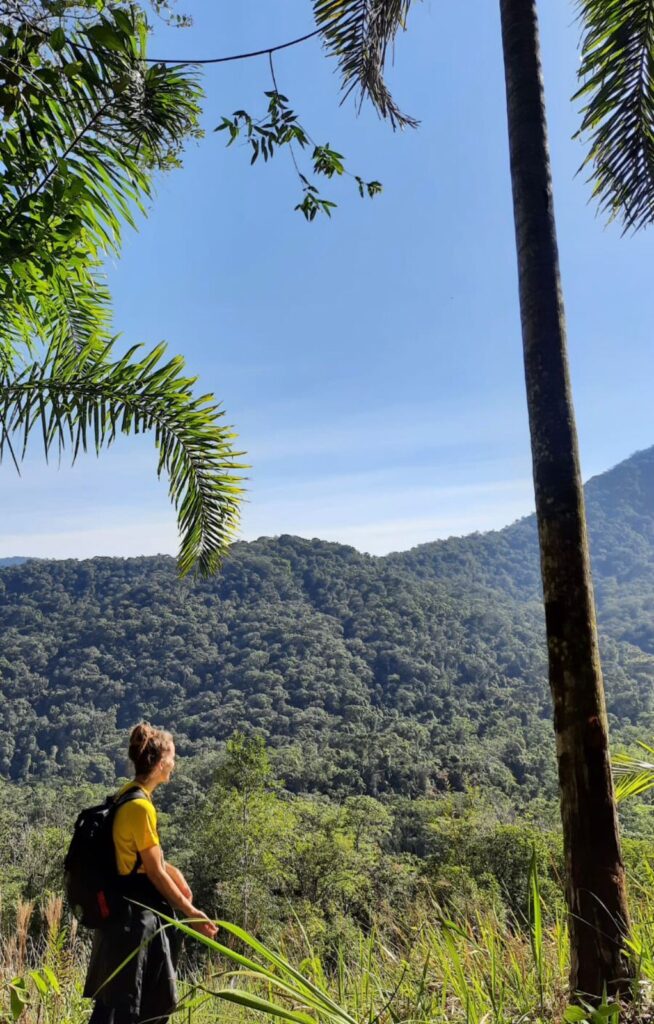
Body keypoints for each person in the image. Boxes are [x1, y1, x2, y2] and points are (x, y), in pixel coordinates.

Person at [84, 723, 217, 1024]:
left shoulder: (126, 795)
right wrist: (191, 913)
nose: (175, 763)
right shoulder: (141, 807)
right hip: (137, 921)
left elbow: (141, 858)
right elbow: (155, 872)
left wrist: (174, 870)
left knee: (111, 1009)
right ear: (159, 764)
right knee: (140, 1009)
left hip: (120, 920)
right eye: (172, 757)